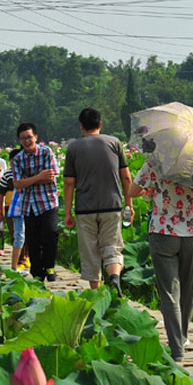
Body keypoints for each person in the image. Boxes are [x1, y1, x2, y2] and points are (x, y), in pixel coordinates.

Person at [127, 162, 193, 365]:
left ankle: (177, 349)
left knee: (170, 292)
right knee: (188, 289)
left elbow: (132, 191)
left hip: (163, 231)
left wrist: (150, 191)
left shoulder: (156, 161)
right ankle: (183, 337)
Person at [62, 108, 134, 295]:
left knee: (90, 252)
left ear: (81, 126)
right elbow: (126, 177)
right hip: (112, 205)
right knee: (112, 247)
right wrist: (129, 204)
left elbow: (69, 183)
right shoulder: (114, 143)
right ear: (100, 124)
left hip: (85, 208)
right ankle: (114, 276)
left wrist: (68, 212)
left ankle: (97, 293)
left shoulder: (74, 148)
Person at [12, 122, 59, 282]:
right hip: (28, 204)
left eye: (29, 137)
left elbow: (50, 176)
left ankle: (50, 266)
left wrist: (28, 180)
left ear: (36, 137)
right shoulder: (18, 159)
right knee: (33, 240)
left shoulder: (46, 152)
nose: (27, 141)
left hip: (47, 201)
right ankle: (37, 273)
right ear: (19, 140)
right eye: (23, 138)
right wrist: (39, 177)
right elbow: (17, 184)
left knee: (50, 233)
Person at [0, 147, 28, 273]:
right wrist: (0, 211)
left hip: (29, 206)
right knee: (16, 235)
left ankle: (26, 257)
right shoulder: (9, 174)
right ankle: (17, 263)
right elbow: (1, 193)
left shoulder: (27, 171)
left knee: (28, 235)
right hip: (13, 207)